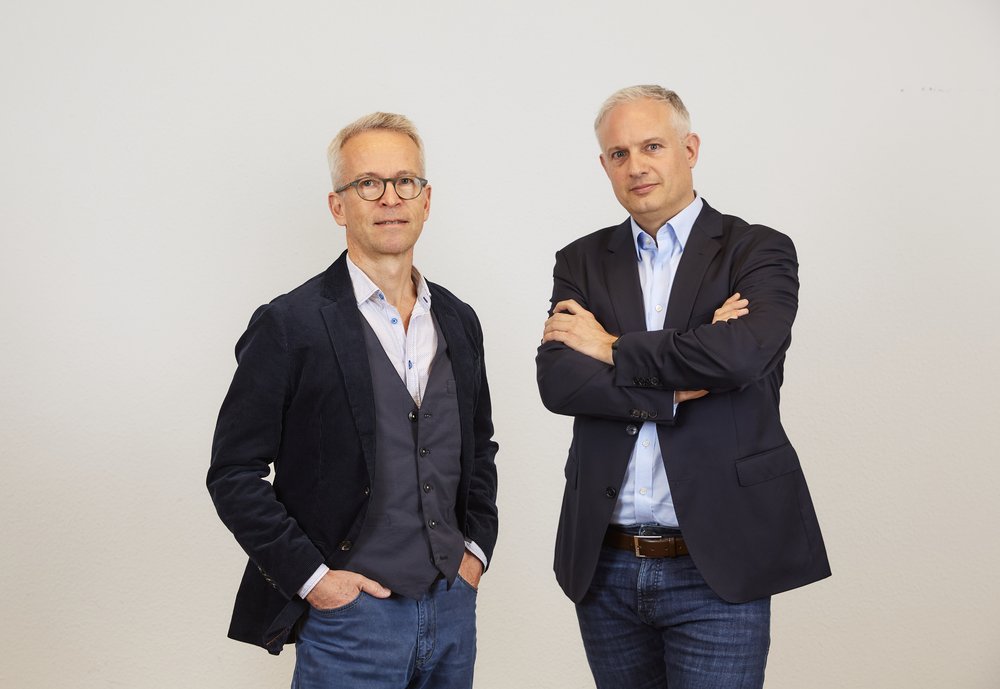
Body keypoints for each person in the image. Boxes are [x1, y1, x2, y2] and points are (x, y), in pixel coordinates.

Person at [537, 85, 830, 688]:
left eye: (652, 146)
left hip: (718, 559)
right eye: (618, 154)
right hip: (607, 563)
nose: (636, 166)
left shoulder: (757, 250)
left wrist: (610, 347)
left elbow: (740, 356)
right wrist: (673, 386)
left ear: (689, 149)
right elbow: (560, 382)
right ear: (604, 166)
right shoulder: (581, 261)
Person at [207, 112, 499, 689]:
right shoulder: (289, 324)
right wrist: (315, 581)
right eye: (368, 183)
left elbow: (480, 446)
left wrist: (475, 552)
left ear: (426, 200)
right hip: (350, 623)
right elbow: (233, 473)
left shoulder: (459, 319)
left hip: (452, 610)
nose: (390, 198)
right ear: (338, 206)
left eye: (405, 181)